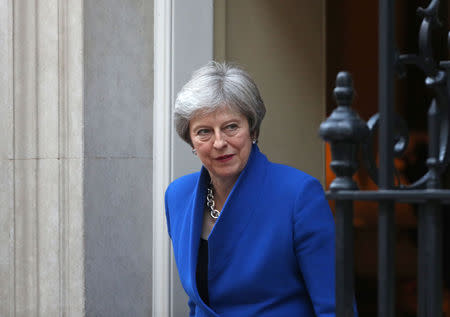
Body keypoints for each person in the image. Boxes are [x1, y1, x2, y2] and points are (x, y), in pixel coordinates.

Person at [165, 62, 337, 317]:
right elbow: (198, 302)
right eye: (204, 132)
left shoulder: (299, 195)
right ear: (190, 141)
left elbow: (333, 306)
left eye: (231, 127)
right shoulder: (178, 195)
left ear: (253, 129)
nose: (220, 142)